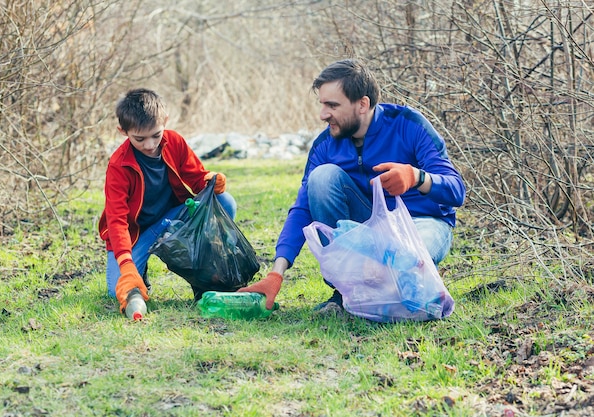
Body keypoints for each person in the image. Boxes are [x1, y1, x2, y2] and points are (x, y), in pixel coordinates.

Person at [239, 59, 466, 312]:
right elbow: (302, 209)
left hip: (421, 225)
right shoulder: (325, 145)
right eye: (322, 104)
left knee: (403, 260)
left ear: (363, 104)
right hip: (367, 229)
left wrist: (417, 177)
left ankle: (397, 285)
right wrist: (276, 273)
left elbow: (456, 191)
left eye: (332, 105)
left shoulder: (408, 124)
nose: (323, 114)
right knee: (322, 177)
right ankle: (347, 290)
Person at [98, 88, 237, 315]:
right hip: (138, 234)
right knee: (117, 290)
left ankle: (207, 273)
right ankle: (139, 271)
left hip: (173, 219)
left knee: (225, 202)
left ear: (165, 122)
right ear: (123, 131)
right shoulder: (118, 165)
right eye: (139, 139)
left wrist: (211, 180)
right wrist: (126, 263)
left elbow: (196, 177)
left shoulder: (174, 142)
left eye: (156, 135)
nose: (150, 144)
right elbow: (117, 220)